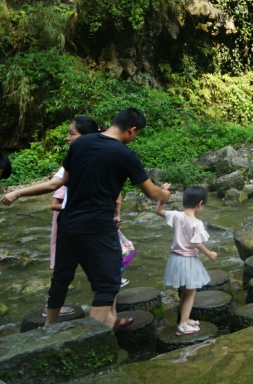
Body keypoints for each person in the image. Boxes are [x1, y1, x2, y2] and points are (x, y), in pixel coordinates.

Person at [41, 108, 170, 330]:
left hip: (69, 222)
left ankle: (48, 328)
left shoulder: (81, 143)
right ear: (132, 130)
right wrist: (165, 194)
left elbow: (64, 181)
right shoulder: (125, 154)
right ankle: (90, 335)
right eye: (136, 134)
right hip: (98, 226)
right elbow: (151, 193)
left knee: (62, 277)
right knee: (109, 282)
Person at [1, 116, 105, 317]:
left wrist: (17, 193)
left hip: (78, 224)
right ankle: (105, 320)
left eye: (71, 133)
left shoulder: (80, 158)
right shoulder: (102, 156)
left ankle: (101, 320)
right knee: (96, 274)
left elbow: (52, 185)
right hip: (89, 223)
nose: (67, 138)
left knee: (73, 275)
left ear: (86, 136)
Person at [156, 185, 217, 336]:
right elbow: (197, 243)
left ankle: (184, 319)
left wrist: (162, 196)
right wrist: (209, 254)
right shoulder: (197, 223)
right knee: (191, 293)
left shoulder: (177, 215)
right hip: (188, 260)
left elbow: (158, 211)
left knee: (184, 291)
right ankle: (183, 325)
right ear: (200, 204)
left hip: (175, 258)